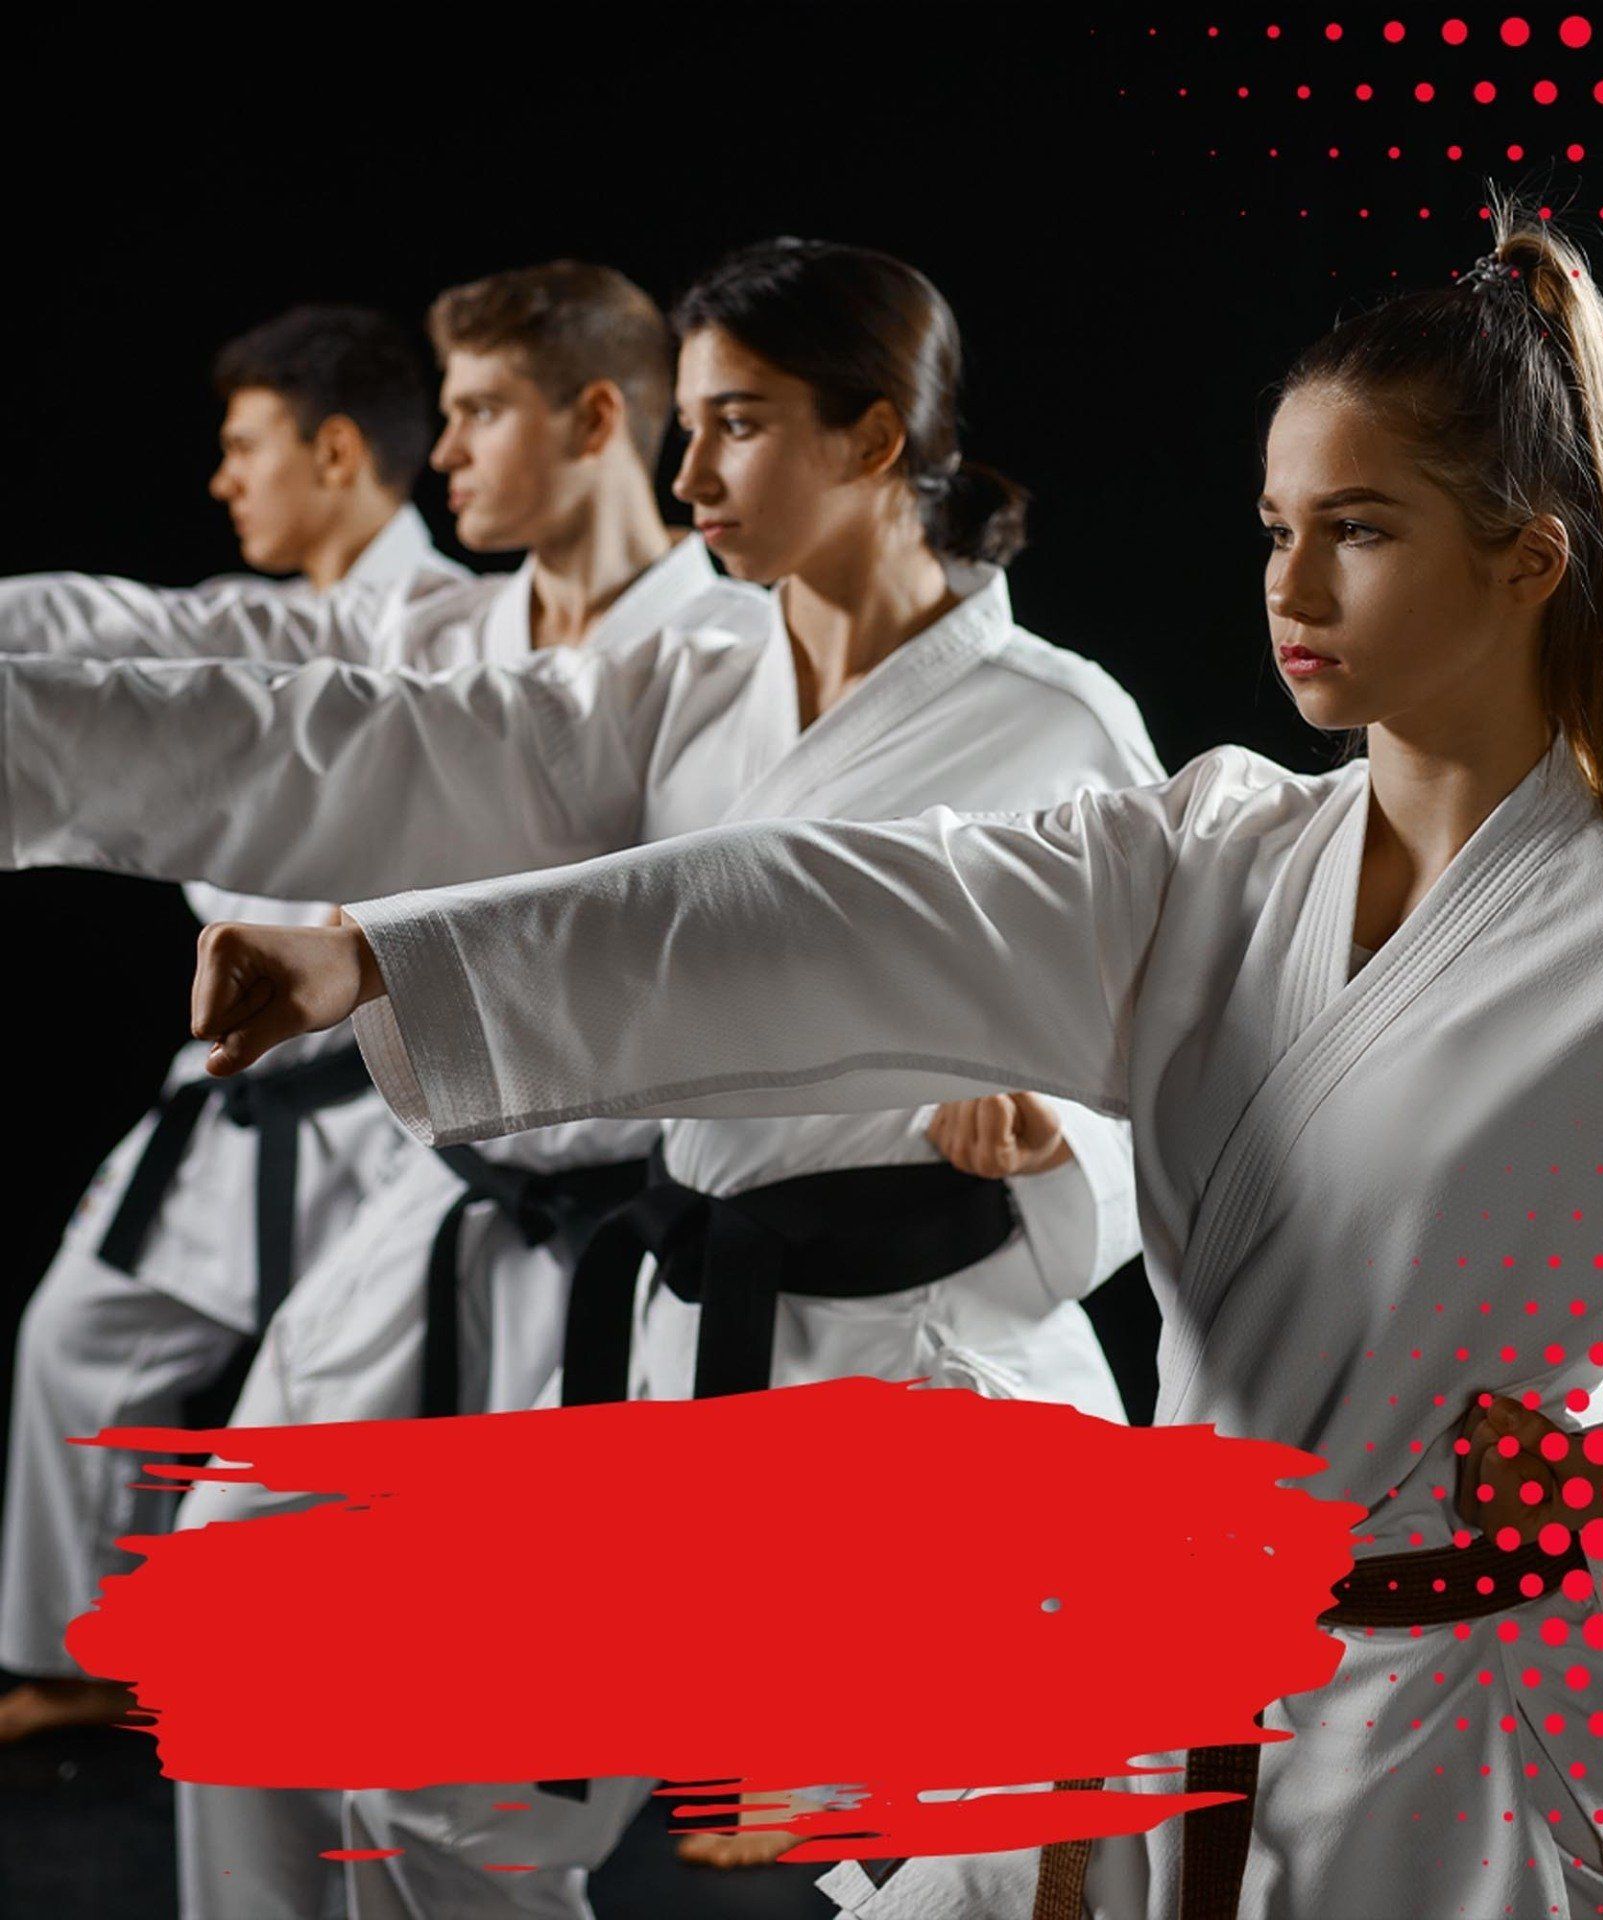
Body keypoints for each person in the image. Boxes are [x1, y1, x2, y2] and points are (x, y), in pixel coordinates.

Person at [190, 209, 1603, 1920]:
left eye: (1361, 532)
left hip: (1479, 1741)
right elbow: (821, 908)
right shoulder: (1210, 861)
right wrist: (390, 951)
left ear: (1529, 557)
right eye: (1275, 528)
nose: (1291, 589)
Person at [0, 239, 1159, 1920]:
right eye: (682, 427)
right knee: (435, 1784)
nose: (686, 476)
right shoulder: (696, 680)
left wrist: (1064, 1130)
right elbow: (385, 749)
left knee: (986, 1882)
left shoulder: (1060, 729)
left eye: (739, 425)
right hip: (682, 1346)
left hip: (918, 1374)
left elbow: (1152, 1044)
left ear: (874, 437)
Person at [0, 259, 769, 1920]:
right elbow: (206, 660)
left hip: (632, 1251)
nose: (446, 454)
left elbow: (778, 933)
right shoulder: (437, 621)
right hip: (446, 1199)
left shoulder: (730, 647)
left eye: (481, 411)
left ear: (595, 417)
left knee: (473, 1780)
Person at [0, 302, 465, 1749]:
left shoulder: (454, 633)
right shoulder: (253, 624)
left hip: (400, 1103)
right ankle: (84, 1661)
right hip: (237, 1097)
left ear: (336, 451)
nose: (223, 476)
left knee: (358, 1429)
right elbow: (110, 627)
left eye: (245, 444)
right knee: (78, 1337)